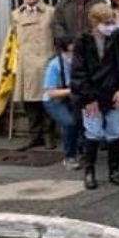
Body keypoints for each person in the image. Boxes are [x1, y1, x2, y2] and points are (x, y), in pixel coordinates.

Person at [70, 3, 119, 190]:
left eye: (111, 22)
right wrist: (88, 98)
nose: (109, 26)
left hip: (114, 93)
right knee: (93, 132)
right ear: (93, 22)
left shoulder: (118, 37)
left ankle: (114, 171)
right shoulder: (83, 41)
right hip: (91, 95)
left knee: (115, 131)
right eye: (105, 23)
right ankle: (89, 172)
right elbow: (78, 72)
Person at [11, 0, 57, 151]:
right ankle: (34, 135)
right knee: (30, 102)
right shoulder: (16, 14)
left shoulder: (51, 12)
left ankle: (48, 135)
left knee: (47, 100)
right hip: (27, 64)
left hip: (46, 61)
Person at [42, 36, 82, 170]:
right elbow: (50, 92)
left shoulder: (79, 60)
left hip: (72, 97)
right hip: (55, 100)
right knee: (69, 122)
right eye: (70, 51)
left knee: (80, 121)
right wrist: (70, 91)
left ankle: (79, 149)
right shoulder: (55, 64)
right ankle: (69, 157)